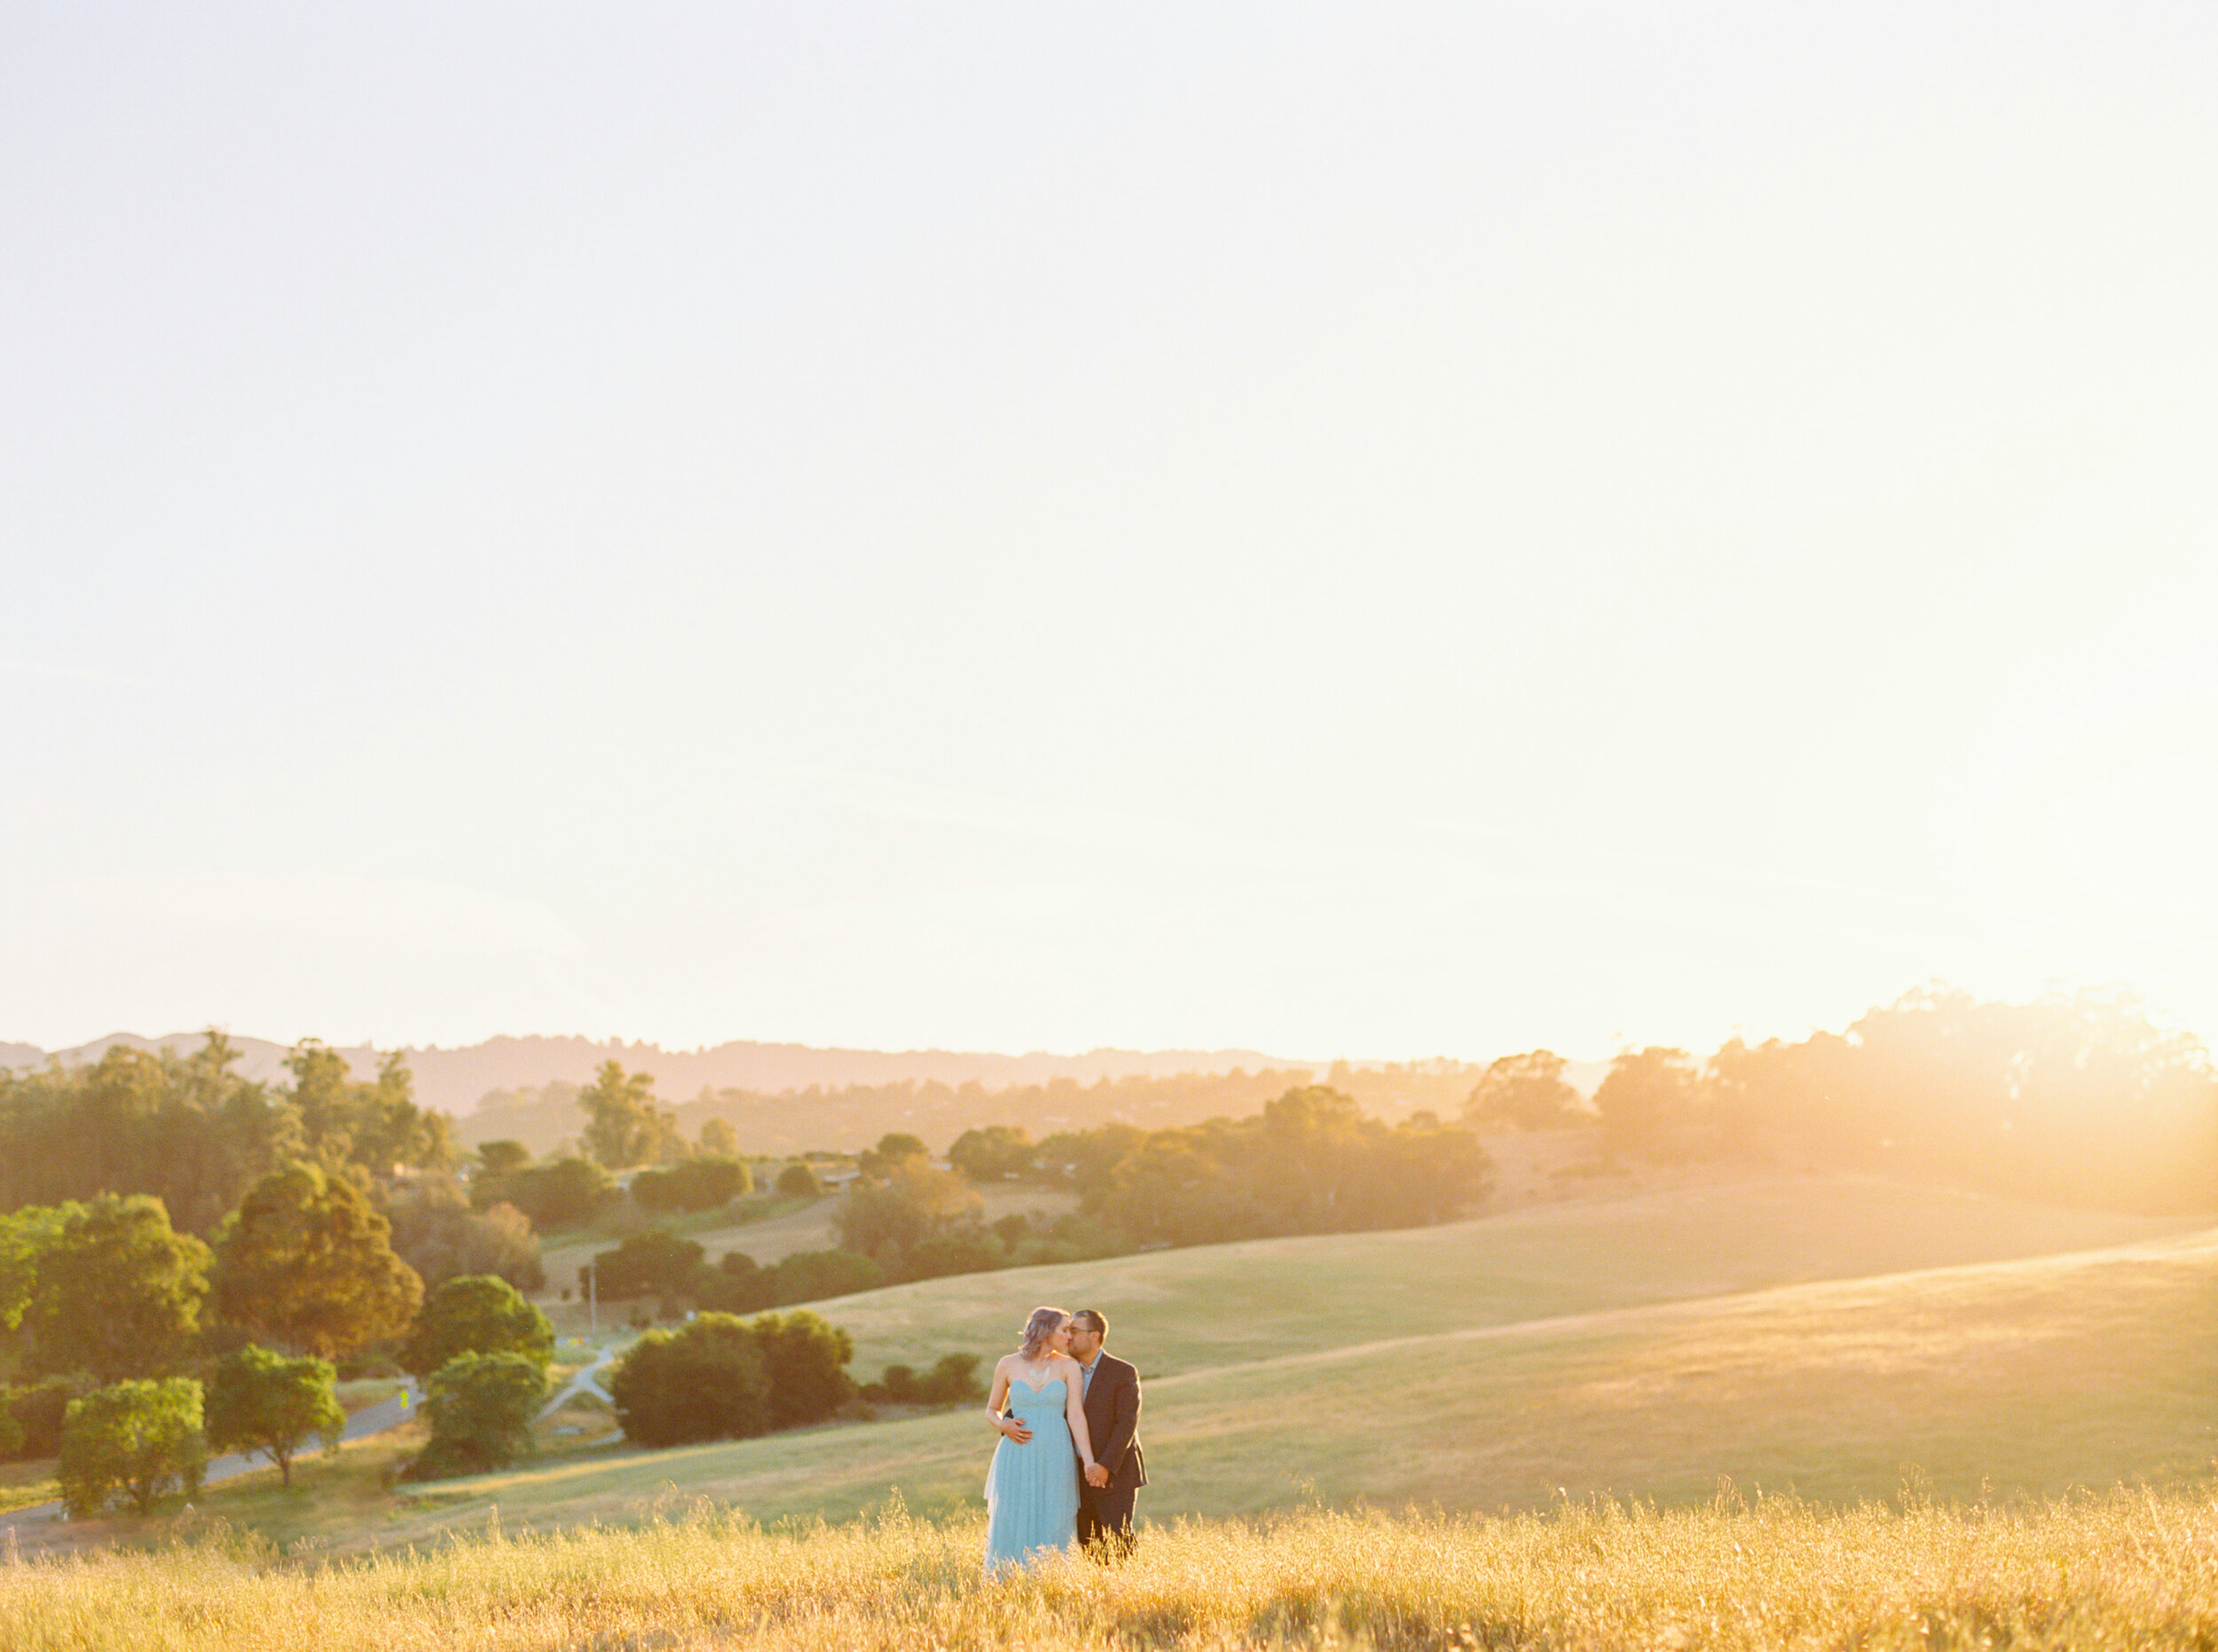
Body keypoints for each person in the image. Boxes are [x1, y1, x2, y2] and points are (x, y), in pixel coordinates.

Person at [982, 1305, 1099, 1575]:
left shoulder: (1069, 1366)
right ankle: (1007, 1578)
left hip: (1055, 1453)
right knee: (1012, 1514)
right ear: (1046, 1330)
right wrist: (1004, 1425)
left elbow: (1076, 1415)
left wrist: (1088, 1461)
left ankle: (1049, 1578)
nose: (1070, 1336)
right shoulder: (1008, 1364)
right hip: (1016, 1452)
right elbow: (991, 1409)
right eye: (1064, 1330)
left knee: (1053, 1514)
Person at [1063, 1308, 1144, 1558]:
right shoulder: (1062, 1371)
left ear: (1094, 1335)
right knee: (1089, 1546)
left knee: (1119, 1540)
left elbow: (1126, 1424)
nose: (1068, 1337)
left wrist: (1104, 1466)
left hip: (1116, 1472)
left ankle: (1129, 1594)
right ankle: (1099, 1594)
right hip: (1076, 1473)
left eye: (1074, 1331)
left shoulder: (1122, 1371)